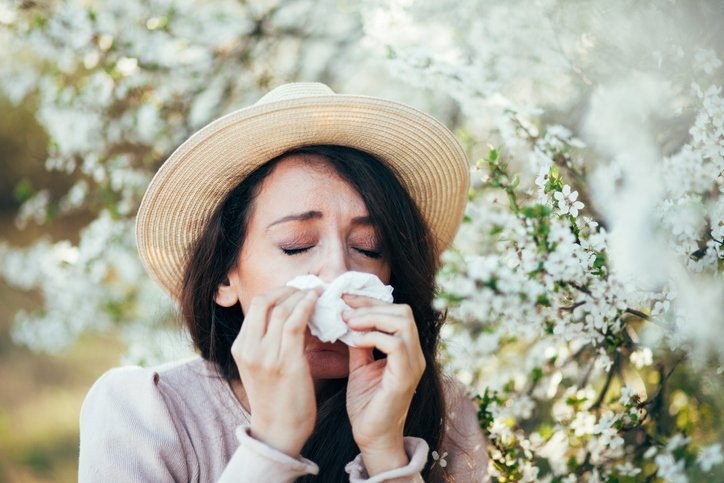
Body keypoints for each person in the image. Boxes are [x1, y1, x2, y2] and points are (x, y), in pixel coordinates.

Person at [78, 82, 488, 482]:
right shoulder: (143, 412)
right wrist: (272, 446)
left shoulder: (446, 414)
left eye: (368, 246)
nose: (338, 272)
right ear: (223, 277)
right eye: (296, 246)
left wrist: (385, 453)